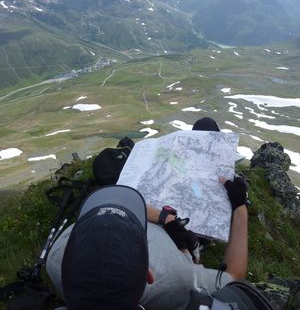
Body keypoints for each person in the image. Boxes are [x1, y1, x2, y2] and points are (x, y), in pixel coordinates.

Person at [46, 118, 248, 310]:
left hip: (168, 222)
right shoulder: (176, 277)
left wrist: (166, 219)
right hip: (185, 234)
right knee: (206, 126)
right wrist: (240, 206)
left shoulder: (57, 259)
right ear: (149, 277)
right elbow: (233, 276)